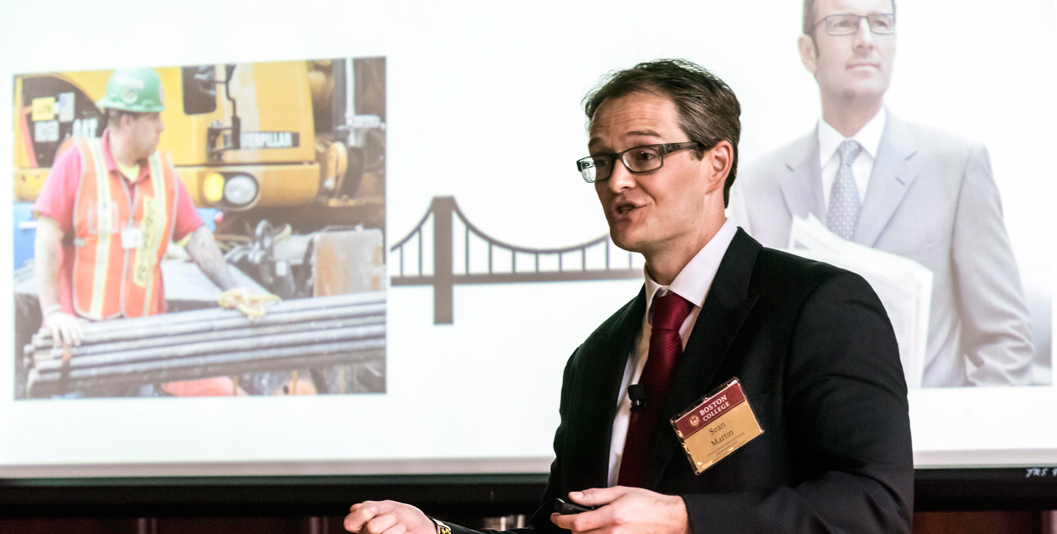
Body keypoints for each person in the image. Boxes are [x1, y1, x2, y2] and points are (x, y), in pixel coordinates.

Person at [344, 59, 913, 534]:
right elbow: (564, 528)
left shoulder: (817, 306)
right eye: (601, 161)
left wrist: (682, 517)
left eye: (643, 156)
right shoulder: (597, 358)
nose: (615, 182)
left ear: (717, 163)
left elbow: (874, 508)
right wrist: (436, 532)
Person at [729, 0, 1034, 387]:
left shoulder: (957, 166)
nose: (866, 39)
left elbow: (1004, 341)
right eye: (843, 24)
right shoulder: (756, 186)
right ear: (808, 51)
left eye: (880, 23)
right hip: (804, 439)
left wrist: (956, 438)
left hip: (923, 437)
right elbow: (743, 347)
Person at [33, 67, 244, 396]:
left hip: (141, 341)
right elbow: (47, 237)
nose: (162, 127)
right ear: (127, 120)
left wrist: (233, 289)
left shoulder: (164, 174)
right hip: (81, 342)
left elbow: (196, 237)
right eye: (154, 117)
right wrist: (54, 313)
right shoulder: (77, 162)